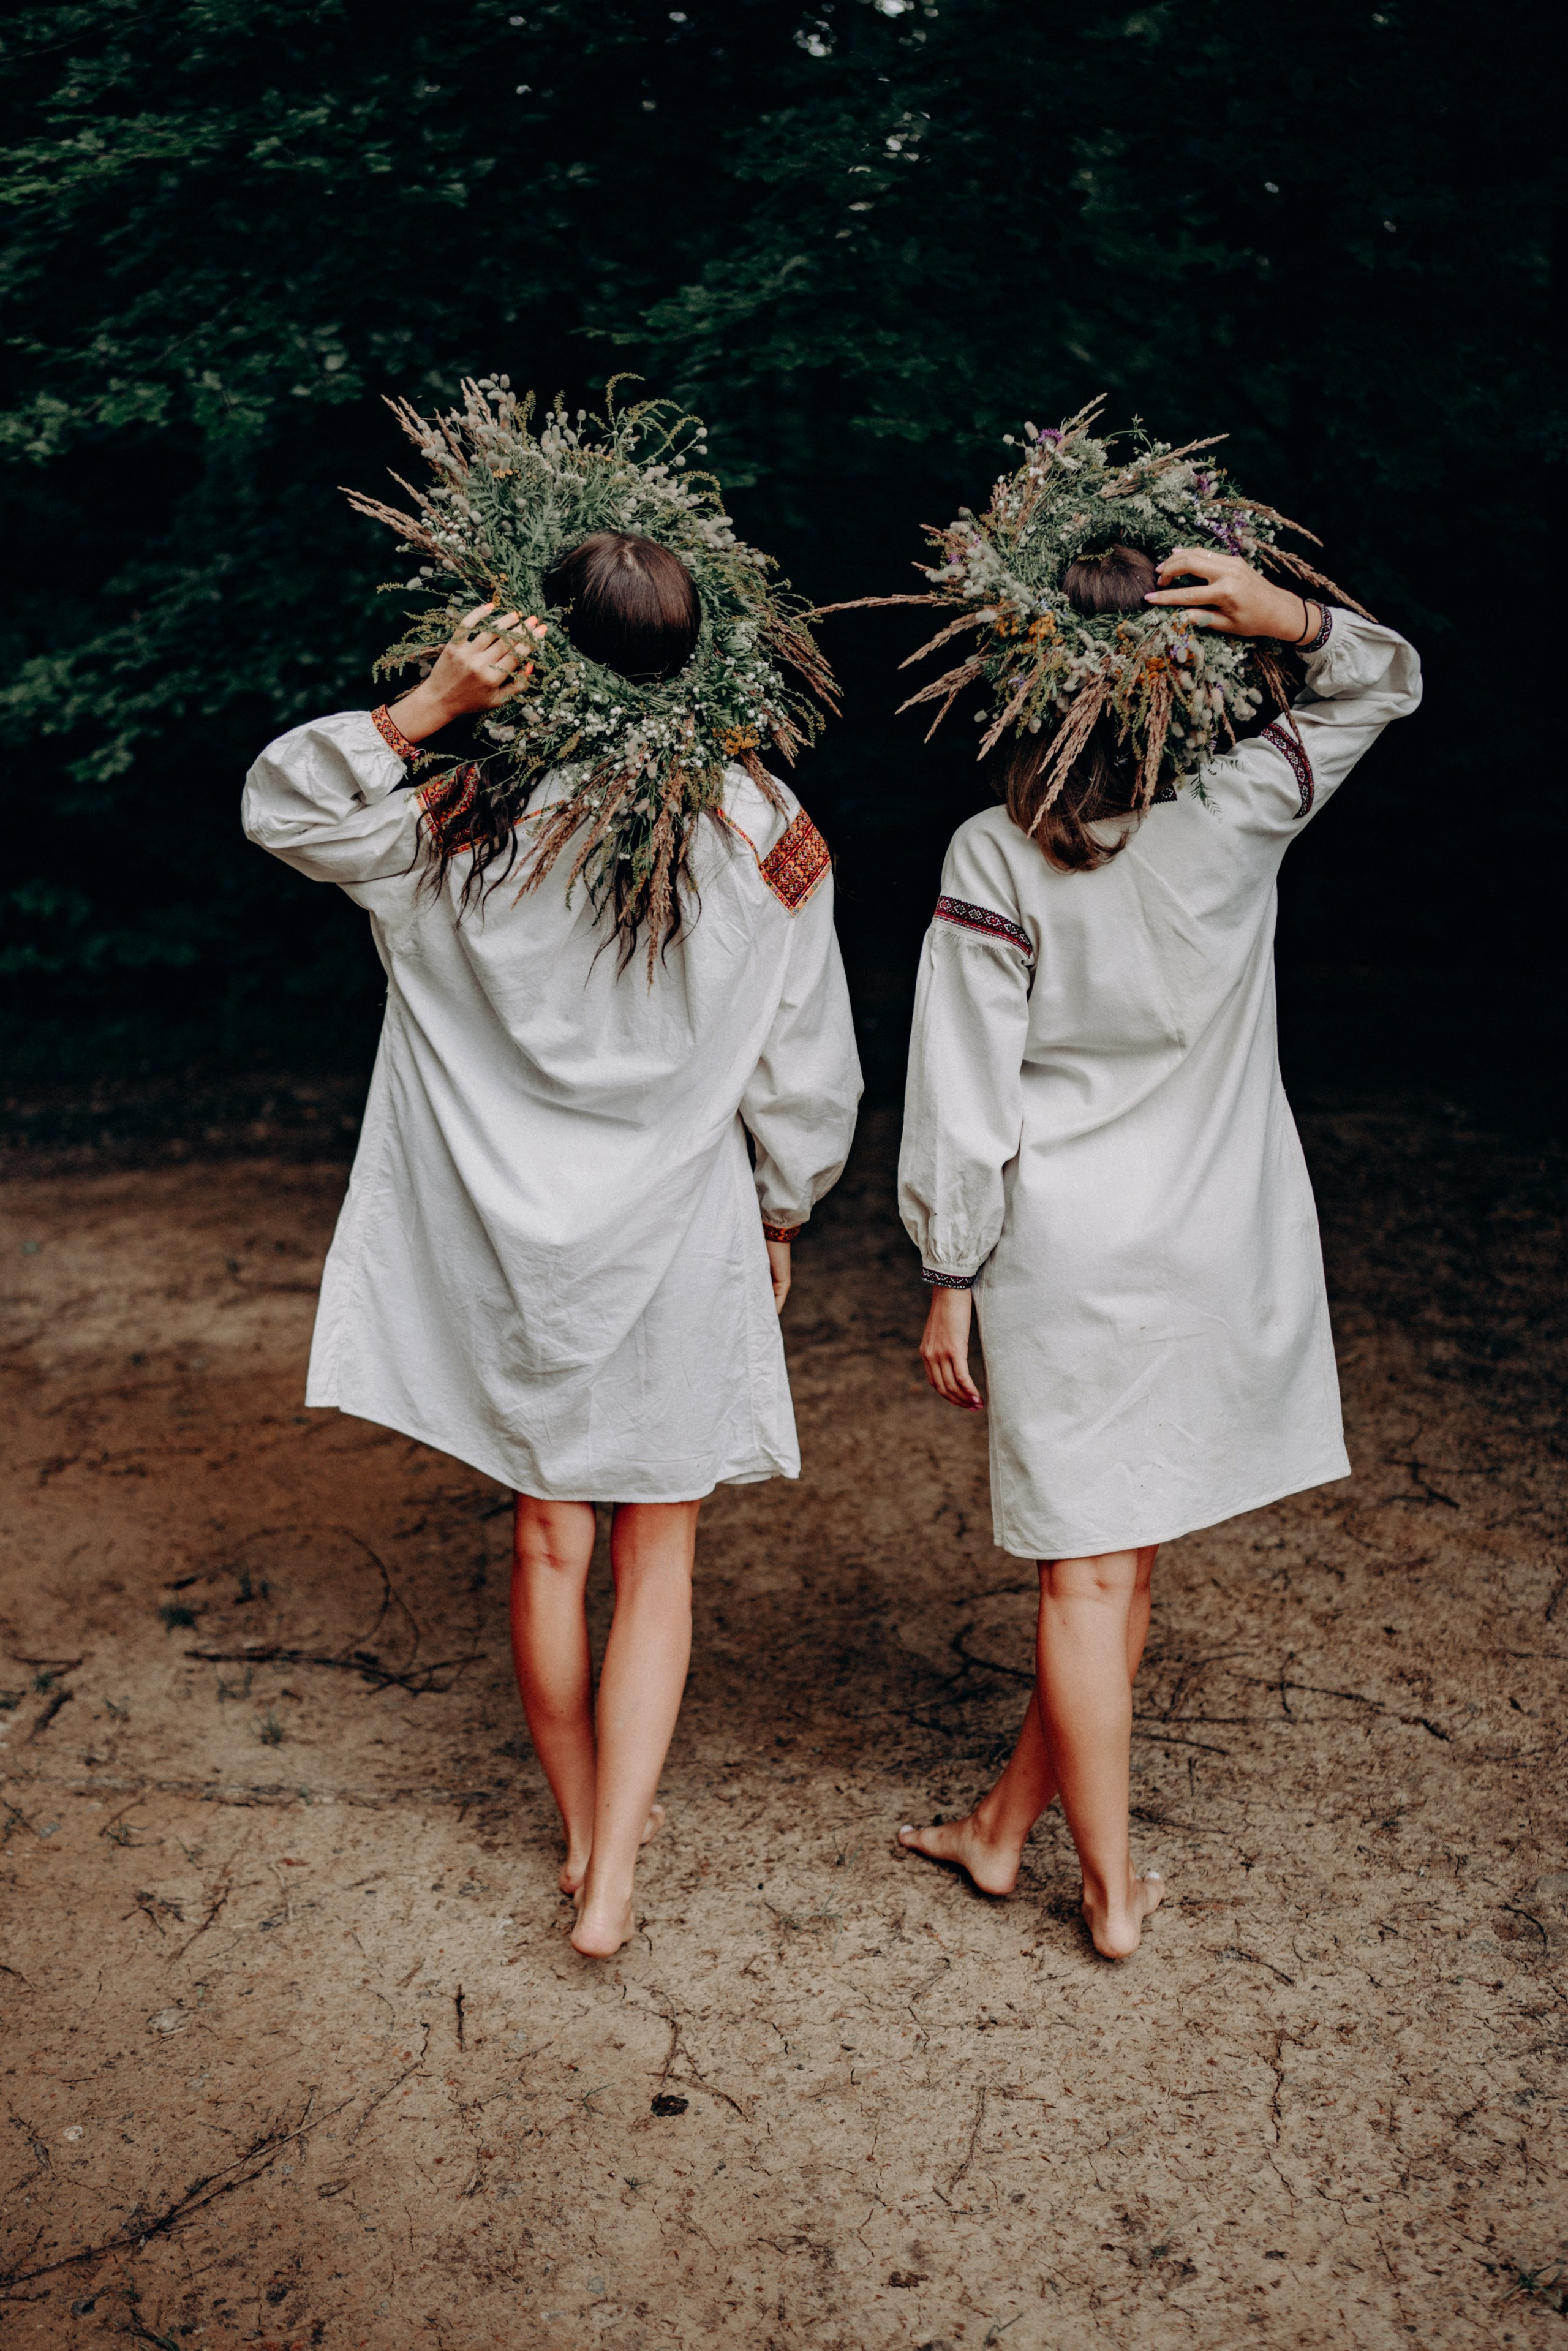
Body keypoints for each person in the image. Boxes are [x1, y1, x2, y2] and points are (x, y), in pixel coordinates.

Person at [243, 528, 861, 1958]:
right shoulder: (762, 824)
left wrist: (426, 707)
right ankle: (611, 1881)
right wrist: (783, 1201)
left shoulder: (463, 811)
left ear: (535, 650)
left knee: (545, 1538)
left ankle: (587, 1824)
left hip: (505, 1245)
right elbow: (805, 1064)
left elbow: (282, 806)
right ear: (697, 650)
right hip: (680, 1230)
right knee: (661, 1551)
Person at [894, 538, 1421, 1958]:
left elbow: (962, 1092)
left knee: (1085, 1570)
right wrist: (1295, 613)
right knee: (1114, 1558)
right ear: (1177, 684)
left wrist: (950, 1271)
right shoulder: (1241, 802)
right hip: (1213, 1238)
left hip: (1067, 1254)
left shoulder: (990, 854)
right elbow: (1384, 680)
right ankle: (1001, 1831)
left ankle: (1113, 1893)